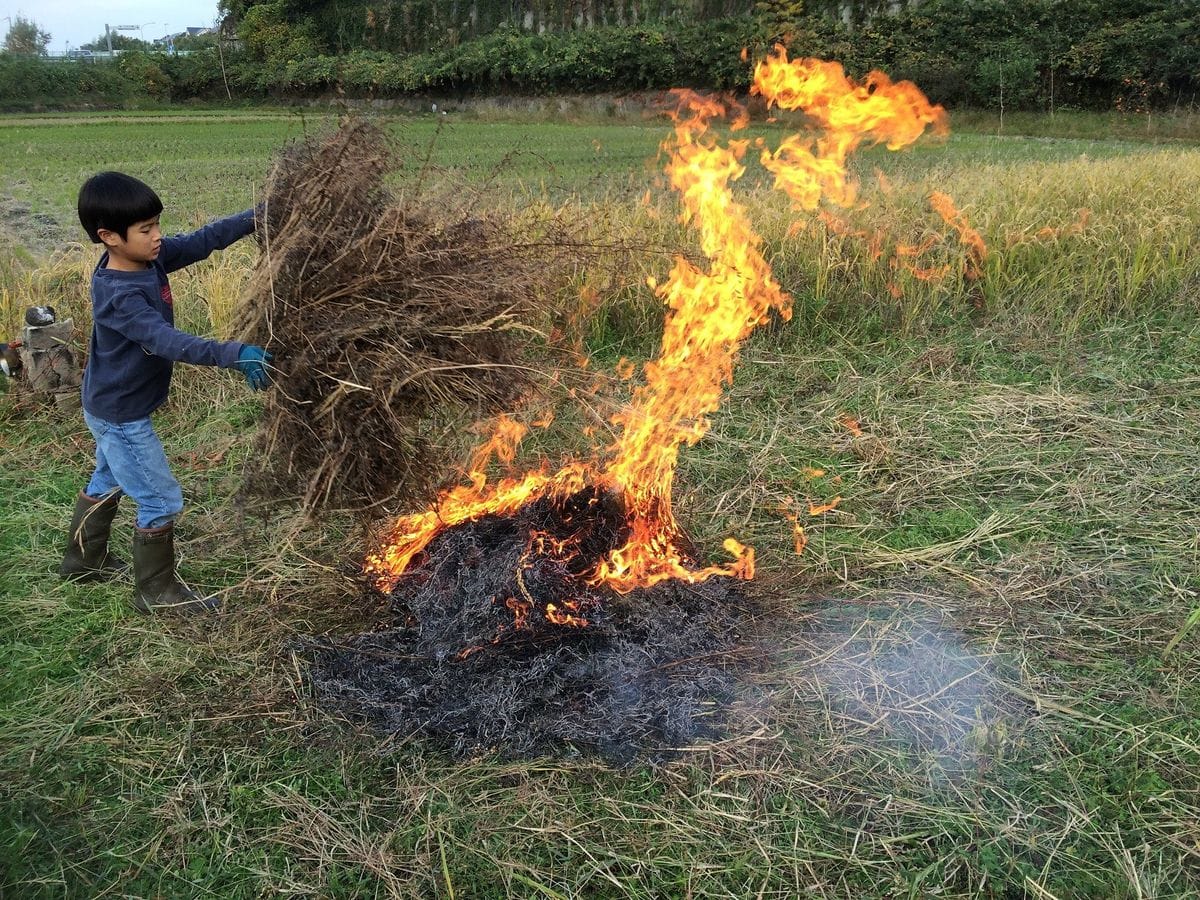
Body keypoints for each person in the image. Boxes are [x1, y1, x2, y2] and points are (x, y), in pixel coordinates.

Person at [58, 171, 272, 614]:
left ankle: (83, 562)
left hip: (110, 404)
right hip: (121, 412)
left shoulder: (144, 260)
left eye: (157, 224)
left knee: (109, 477)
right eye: (146, 229)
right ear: (109, 237)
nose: (158, 237)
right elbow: (166, 340)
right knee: (159, 498)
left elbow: (203, 240)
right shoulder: (121, 295)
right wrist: (235, 353)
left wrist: (256, 217)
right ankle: (156, 592)